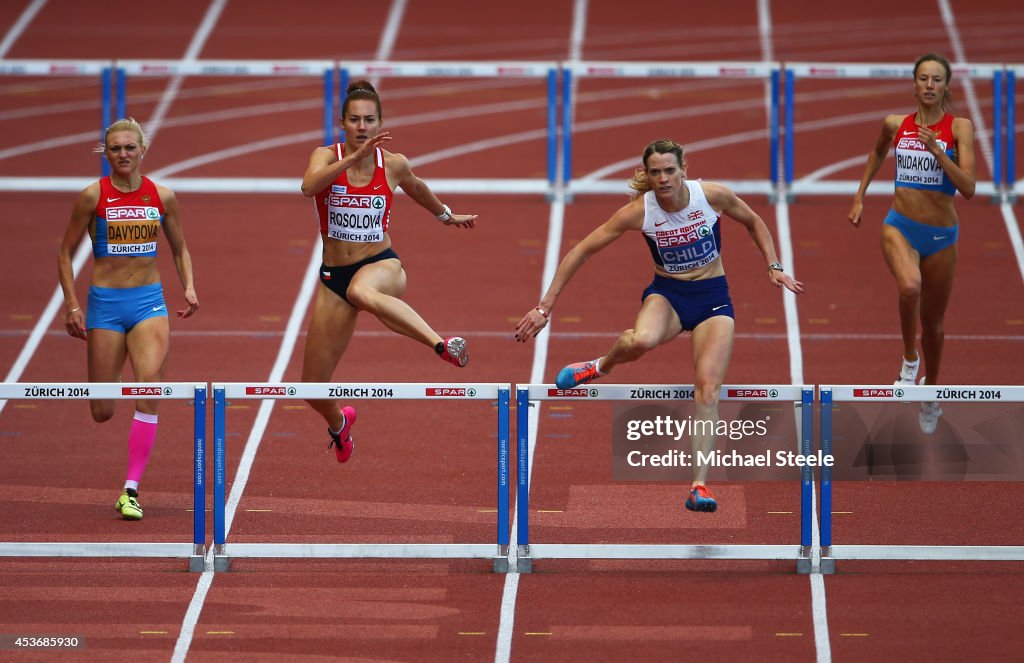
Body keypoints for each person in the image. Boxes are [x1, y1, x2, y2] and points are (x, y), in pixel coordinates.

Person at [514, 139, 804, 512]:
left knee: (708, 389)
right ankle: (600, 366)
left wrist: (774, 266)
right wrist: (545, 306)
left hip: (713, 298)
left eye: (670, 170)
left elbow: (754, 221)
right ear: (646, 175)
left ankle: (699, 484)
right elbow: (581, 250)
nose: (663, 179)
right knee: (640, 340)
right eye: (655, 172)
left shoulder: (712, 196)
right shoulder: (640, 212)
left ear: (684, 169)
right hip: (667, 295)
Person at [299, 80, 478, 464]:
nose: (362, 127)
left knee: (363, 293)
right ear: (342, 123)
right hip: (335, 279)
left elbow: (415, 187)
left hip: (382, 265)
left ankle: (442, 345)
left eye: (369, 120)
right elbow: (308, 187)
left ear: (380, 121)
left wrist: (445, 216)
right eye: (354, 120)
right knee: (310, 389)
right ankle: (339, 424)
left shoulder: (393, 164)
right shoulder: (325, 156)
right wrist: (350, 159)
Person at [57, 117, 199, 520]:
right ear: (106, 152)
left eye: (129, 148)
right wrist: (71, 304)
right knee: (101, 409)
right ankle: (112, 376)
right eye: (115, 148)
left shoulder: (162, 196)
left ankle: (130, 489)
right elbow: (64, 254)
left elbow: (180, 248)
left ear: (142, 150)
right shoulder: (91, 197)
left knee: (149, 388)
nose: (122, 154)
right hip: (105, 304)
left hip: (148, 303)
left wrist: (188, 285)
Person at [848, 53, 975, 434]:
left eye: (937, 79)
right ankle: (908, 360)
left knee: (933, 323)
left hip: (940, 236)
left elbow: (968, 188)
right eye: (923, 78)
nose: (930, 85)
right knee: (909, 286)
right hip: (899, 226)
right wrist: (860, 195)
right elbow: (876, 152)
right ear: (914, 84)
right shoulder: (895, 124)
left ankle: (931, 392)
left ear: (946, 86)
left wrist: (938, 151)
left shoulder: (960, 128)